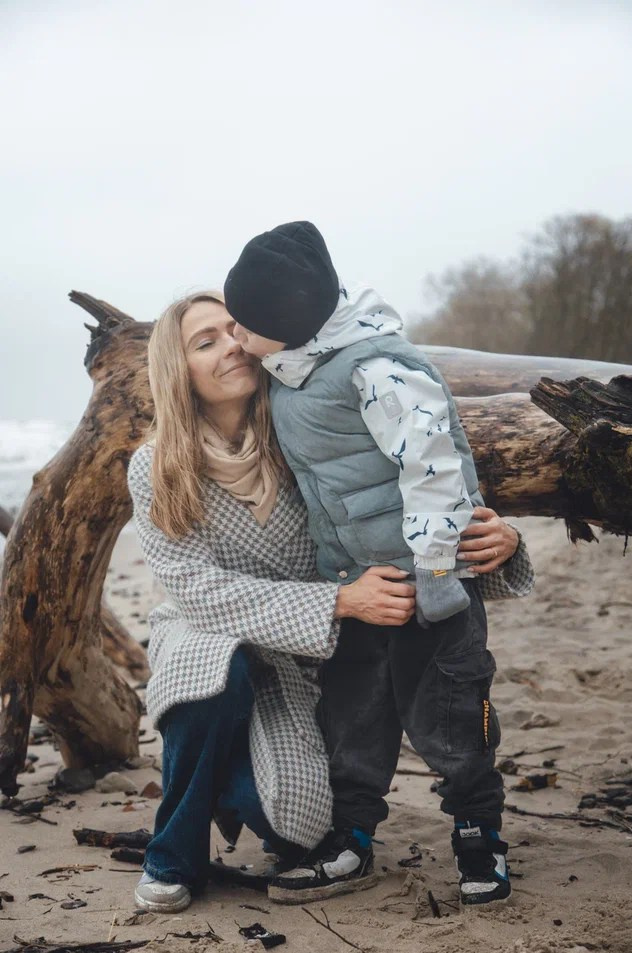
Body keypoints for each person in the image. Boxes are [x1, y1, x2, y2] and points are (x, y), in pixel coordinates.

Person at [224, 221, 535, 906]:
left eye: (245, 324)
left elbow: (432, 467)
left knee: (453, 717)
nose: (236, 336)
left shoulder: (377, 368)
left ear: (290, 321)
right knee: (351, 717)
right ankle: (352, 835)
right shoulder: (290, 371)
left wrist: (434, 573)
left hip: (432, 586)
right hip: (358, 585)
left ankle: (477, 830)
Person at [128, 290, 420, 913]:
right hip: (202, 635)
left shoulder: (302, 431)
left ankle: (225, 782)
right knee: (215, 670)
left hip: (294, 662)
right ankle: (172, 853)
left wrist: (492, 536)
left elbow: (404, 488)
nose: (230, 345)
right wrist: (337, 604)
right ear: (178, 370)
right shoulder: (155, 466)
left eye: (234, 330)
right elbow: (197, 591)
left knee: (299, 831)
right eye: (205, 342)